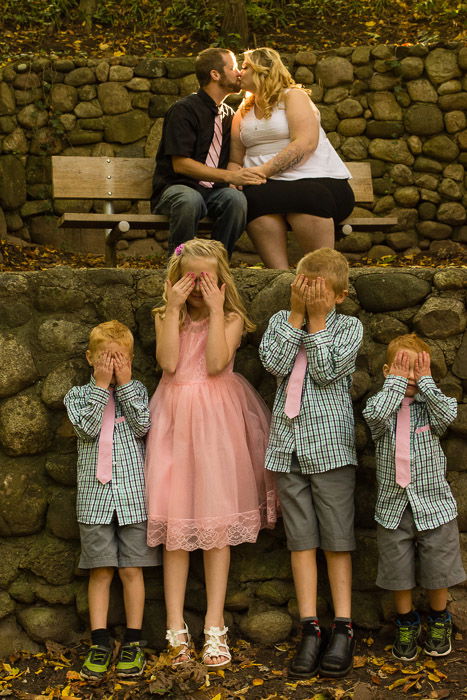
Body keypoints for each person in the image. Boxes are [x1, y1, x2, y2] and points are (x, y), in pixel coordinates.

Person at [145, 238, 276, 669]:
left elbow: (218, 363)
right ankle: (175, 625)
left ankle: (215, 626)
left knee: (216, 526)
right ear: (175, 280)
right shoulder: (168, 316)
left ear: (220, 281)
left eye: (205, 279)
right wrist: (173, 308)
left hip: (217, 423)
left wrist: (218, 310)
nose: (197, 287)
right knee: (176, 521)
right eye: (189, 278)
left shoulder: (233, 317)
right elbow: (167, 362)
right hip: (174, 421)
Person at [259, 248, 363, 679]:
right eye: (301, 286)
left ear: (338, 295)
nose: (308, 294)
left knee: (337, 536)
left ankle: (343, 625)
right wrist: (297, 317)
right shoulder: (281, 324)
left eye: (317, 289)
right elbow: (274, 364)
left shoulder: (348, 327)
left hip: (330, 448)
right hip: (287, 447)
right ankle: (310, 626)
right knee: (300, 539)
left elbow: (326, 372)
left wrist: (317, 322)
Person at [64, 320, 160, 681]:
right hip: (95, 499)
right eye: (105, 358)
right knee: (101, 570)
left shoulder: (137, 392)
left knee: (132, 569)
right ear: (90, 358)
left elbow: (143, 427)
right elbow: (87, 427)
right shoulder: (76, 396)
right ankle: (100, 641)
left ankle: (133, 641)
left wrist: (125, 382)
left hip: (133, 498)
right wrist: (101, 386)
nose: (112, 364)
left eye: (119, 358)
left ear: (131, 359)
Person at [363, 334, 465, 662]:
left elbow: (448, 414)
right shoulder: (381, 409)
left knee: (438, 566)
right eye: (402, 368)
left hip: (434, 507)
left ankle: (439, 619)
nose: (409, 377)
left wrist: (427, 382)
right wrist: (394, 384)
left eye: (415, 368)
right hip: (393, 510)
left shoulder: (431, 408)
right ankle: (406, 621)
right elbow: (376, 414)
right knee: (397, 570)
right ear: (386, 371)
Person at [229, 47, 355, 270]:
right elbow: (236, 158)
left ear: (263, 70)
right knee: (253, 201)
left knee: (308, 196)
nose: (240, 72)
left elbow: (305, 143)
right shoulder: (242, 111)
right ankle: (280, 277)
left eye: (246, 67)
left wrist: (263, 171)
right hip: (267, 188)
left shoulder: (293, 96)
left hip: (318, 180)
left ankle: (322, 277)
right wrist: (234, 177)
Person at [151, 47, 265, 257]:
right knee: (189, 200)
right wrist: (230, 176)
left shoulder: (229, 114)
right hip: (177, 188)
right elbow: (181, 164)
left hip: (213, 193)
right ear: (215, 74)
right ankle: (178, 266)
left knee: (236, 200)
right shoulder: (184, 110)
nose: (239, 73)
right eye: (233, 68)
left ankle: (217, 264)